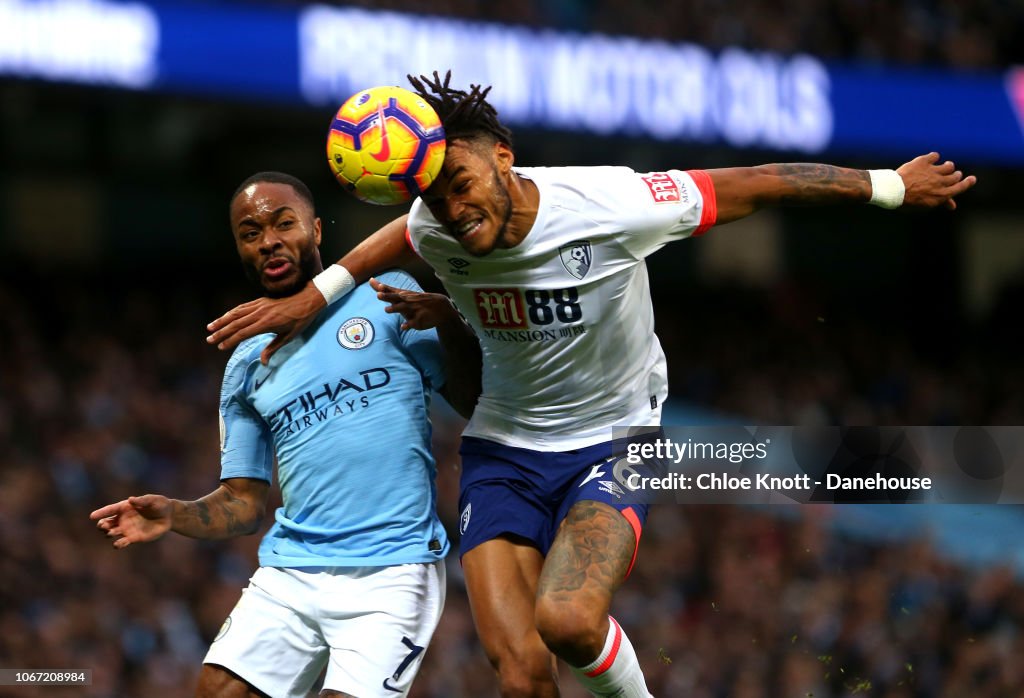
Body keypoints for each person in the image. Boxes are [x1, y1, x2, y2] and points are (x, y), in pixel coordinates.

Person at [205, 73, 978, 698]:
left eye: (464, 184)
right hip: (502, 448)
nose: (453, 209)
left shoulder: (609, 204)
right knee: (518, 671)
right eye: (437, 198)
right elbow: (392, 238)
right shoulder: (434, 224)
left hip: (615, 439)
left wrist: (888, 186)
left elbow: (757, 182)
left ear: (503, 157)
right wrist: (319, 294)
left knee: (569, 622)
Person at [91, 171, 481, 698]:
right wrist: (177, 514)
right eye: (250, 233)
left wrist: (450, 324)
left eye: (283, 223)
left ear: (316, 231)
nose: (268, 240)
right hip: (291, 572)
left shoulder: (388, 296)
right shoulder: (246, 363)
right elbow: (244, 503)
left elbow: (470, 399)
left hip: (391, 571)